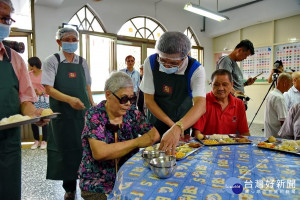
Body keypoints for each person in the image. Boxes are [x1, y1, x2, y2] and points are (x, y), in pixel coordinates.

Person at [78, 71, 160, 200]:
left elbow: (154, 135)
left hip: (129, 178)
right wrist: (137, 142)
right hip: (98, 184)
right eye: (124, 99)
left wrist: (115, 149)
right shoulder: (94, 115)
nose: (128, 103)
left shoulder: (132, 113)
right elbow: (100, 152)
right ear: (108, 95)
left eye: (132, 98)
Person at [0, 1, 48, 199]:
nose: (4, 23)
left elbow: (27, 99)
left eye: (6, 19)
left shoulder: (15, 60)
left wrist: (36, 113)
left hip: (7, 144)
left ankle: (40, 141)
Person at [41, 27, 95, 200]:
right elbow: (48, 88)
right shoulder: (52, 61)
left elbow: (87, 86)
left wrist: (92, 105)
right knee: (66, 151)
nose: (71, 43)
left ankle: (87, 185)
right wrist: (70, 100)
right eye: (68, 39)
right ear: (59, 42)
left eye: (74, 40)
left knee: (84, 149)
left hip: (82, 114)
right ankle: (69, 189)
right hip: (62, 115)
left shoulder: (82, 62)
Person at [140, 31, 206, 154]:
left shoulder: (196, 69)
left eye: (174, 63)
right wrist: (173, 126)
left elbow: (200, 105)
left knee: (180, 155)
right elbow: (149, 101)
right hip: (157, 122)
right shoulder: (151, 62)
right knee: (155, 155)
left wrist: (178, 128)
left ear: (185, 56)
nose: (167, 66)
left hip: (183, 122)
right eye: (163, 61)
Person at [193, 69, 250, 137]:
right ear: (211, 84)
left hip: (230, 145)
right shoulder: (203, 101)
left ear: (231, 84)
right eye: (216, 85)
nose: (220, 88)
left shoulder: (239, 104)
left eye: (224, 84)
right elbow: (197, 133)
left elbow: (244, 132)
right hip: (207, 145)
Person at [28, 56, 48, 150]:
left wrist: (42, 93)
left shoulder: (44, 74)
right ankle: (36, 140)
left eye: (30, 64)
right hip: (33, 99)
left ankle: (44, 141)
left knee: (44, 119)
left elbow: (49, 89)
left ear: (34, 65)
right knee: (34, 120)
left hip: (44, 99)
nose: (29, 66)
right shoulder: (28, 74)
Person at [264, 73, 292, 138]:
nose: (290, 87)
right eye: (290, 84)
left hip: (269, 133)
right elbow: (283, 122)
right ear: (285, 83)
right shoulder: (279, 98)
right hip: (277, 136)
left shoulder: (271, 94)